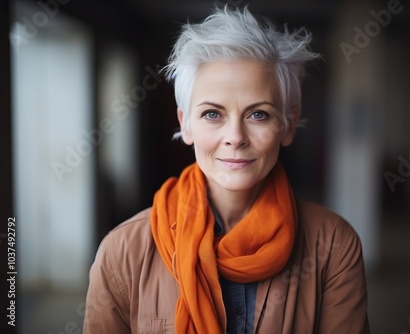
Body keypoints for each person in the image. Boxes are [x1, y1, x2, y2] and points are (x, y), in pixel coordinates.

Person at [83, 6, 369, 334]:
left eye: (258, 114)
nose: (235, 138)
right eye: (212, 114)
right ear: (185, 124)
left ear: (288, 124)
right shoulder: (122, 251)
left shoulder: (333, 245)